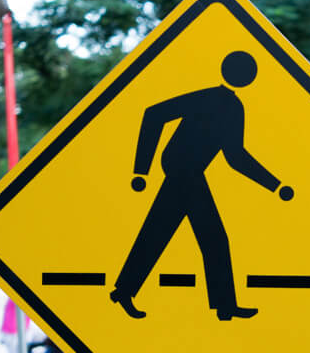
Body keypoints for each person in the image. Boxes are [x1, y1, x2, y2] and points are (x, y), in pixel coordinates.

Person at [110, 50, 293, 321]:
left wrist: (275, 185)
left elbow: (235, 157)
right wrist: (141, 170)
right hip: (181, 170)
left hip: (190, 172)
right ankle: (224, 306)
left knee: (162, 232)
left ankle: (124, 290)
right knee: (210, 237)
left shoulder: (233, 107)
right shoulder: (208, 97)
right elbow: (153, 114)